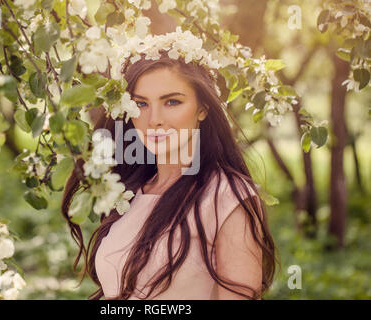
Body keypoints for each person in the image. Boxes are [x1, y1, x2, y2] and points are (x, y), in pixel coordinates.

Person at [61, 50, 277, 300]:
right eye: (141, 104)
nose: (154, 120)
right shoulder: (129, 191)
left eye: (172, 102)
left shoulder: (226, 196)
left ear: (203, 109)